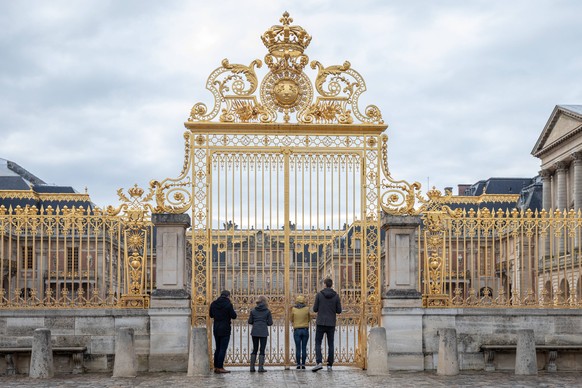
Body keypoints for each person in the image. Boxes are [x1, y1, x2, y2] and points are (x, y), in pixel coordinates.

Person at [312, 278, 342, 372]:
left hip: (321, 322)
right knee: (331, 344)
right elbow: (339, 311)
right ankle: (329, 364)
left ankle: (319, 362)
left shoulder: (319, 295)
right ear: (331, 285)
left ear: (324, 284)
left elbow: (315, 309)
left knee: (318, 342)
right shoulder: (336, 296)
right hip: (331, 323)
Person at [209, 290, 237, 374]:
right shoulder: (228, 304)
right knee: (222, 349)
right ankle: (220, 367)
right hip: (225, 328)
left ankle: (216, 367)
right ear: (228, 296)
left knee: (217, 348)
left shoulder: (213, 303)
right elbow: (234, 316)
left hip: (216, 328)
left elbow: (211, 315)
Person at [248, 295, 273, 373]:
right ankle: (260, 368)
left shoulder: (253, 311)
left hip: (255, 331)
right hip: (263, 332)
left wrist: (256, 322)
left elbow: (250, 321)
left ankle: (252, 368)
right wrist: (264, 321)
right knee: (262, 349)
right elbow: (270, 323)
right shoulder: (267, 311)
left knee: (255, 349)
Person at [291, 294, 310, 369]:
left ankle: (298, 364)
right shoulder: (307, 309)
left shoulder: (293, 309)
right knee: (304, 347)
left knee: (298, 347)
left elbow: (291, 319)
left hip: (297, 330)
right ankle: (304, 364)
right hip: (305, 329)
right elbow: (309, 318)